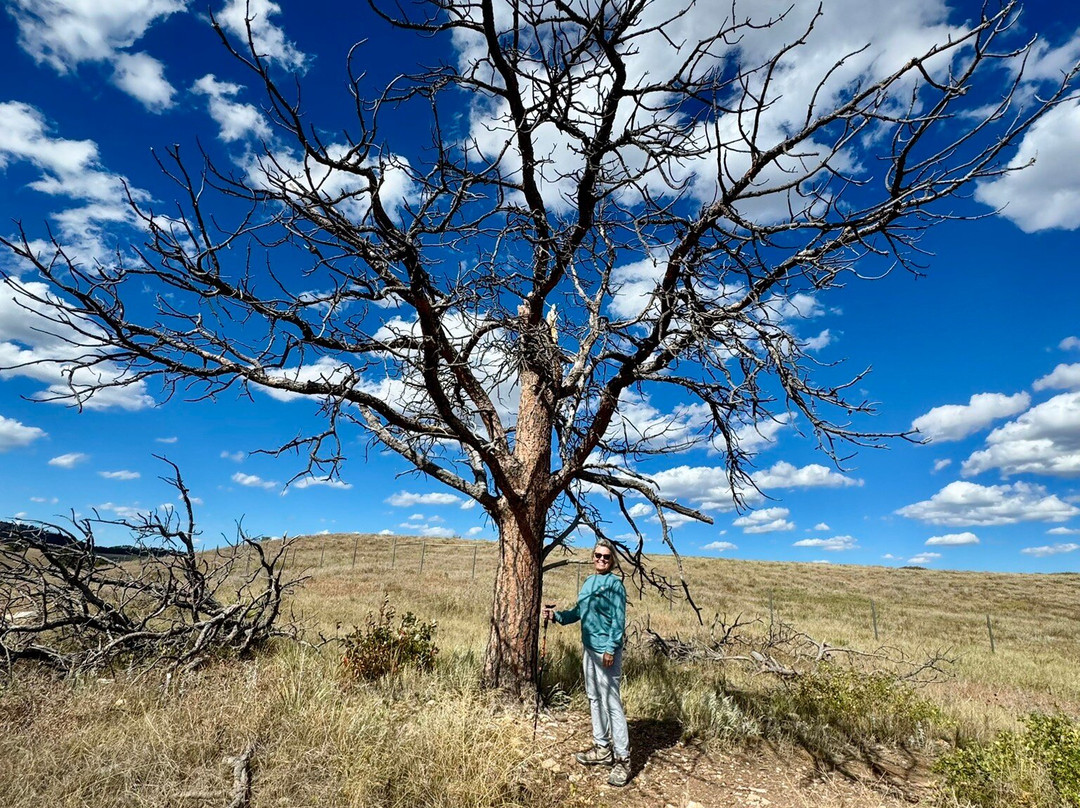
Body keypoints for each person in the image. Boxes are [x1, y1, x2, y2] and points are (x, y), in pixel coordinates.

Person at [543, 539, 631, 787]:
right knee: (593, 698)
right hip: (589, 649)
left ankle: (623, 759)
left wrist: (611, 648)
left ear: (612, 560)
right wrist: (557, 616)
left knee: (611, 702)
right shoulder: (589, 582)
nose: (601, 560)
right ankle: (602, 748)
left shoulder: (615, 585)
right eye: (597, 555)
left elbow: (618, 620)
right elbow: (579, 612)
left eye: (606, 557)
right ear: (592, 557)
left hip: (605, 652)